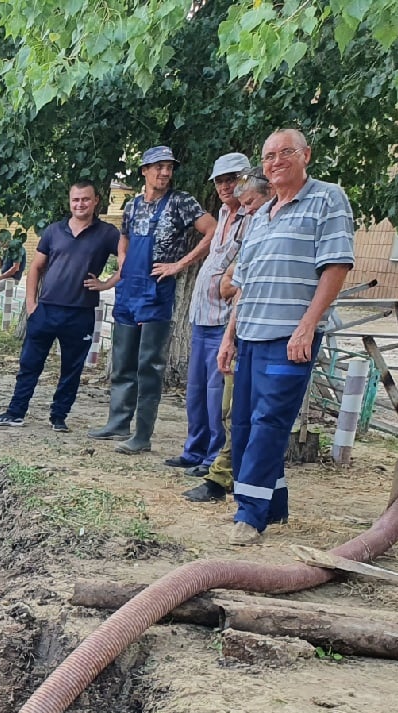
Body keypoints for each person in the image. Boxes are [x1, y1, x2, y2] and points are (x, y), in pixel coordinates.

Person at [218, 129, 354, 545]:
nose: (275, 161)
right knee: (242, 423)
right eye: (269, 155)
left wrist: (308, 325)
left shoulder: (328, 199)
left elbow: (336, 267)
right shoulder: (259, 216)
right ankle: (272, 505)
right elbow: (245, 283)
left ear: (306, 155)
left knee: (268, 422)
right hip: (252, 333)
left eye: (285, 153)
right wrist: (230, 337)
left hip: (290, 335)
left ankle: (250, 513)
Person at [89, 146, 217, 453]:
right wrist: (122, 258)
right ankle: (118, 422)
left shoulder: (182, 202)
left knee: (149, 365)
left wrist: (180, 264)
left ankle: (142, 435)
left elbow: (213, 229)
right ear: (144, 171)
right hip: (129, 290)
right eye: (158, 167)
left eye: (169, 167)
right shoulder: (133, 205)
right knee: (122, 361)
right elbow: (125, 236)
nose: (164, 173)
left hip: (157, 291)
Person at [0, 180, 121, 431]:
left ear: (95, 201)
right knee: (29, 364)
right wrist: (32, 304)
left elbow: (128, 262)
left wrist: (106, 284)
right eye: (75, 199)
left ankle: (59, 417)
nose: (80, 204)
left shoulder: (107, 233)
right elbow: (36, 267)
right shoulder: (54, 231)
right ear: (70, 201)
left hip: (81, 312)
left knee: (72, 368)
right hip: (45, 310)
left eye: (85, 199)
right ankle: (15, 412)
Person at [166, 152, 254, 473]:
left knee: (217, 394)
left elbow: (242, 273)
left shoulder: (252, 218)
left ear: (246, 179)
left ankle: (213, 456)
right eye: (219, 181)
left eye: (232, 179)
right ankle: (194, 448)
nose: (225, 186)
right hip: (201, 316)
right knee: (196, 390)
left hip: (224, 320)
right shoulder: (221, 214)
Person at [185, 173, 270, 503]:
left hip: (273, 335)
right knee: (231, 409)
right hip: (242, 329)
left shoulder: (264, 229)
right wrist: (230, 336)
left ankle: (224, 478)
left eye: (251, 203)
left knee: (245, 412)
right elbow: (232, 285)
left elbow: (236, 284)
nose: (247, 210)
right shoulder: (250, 228)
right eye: (245, 204)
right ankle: (224, 476)